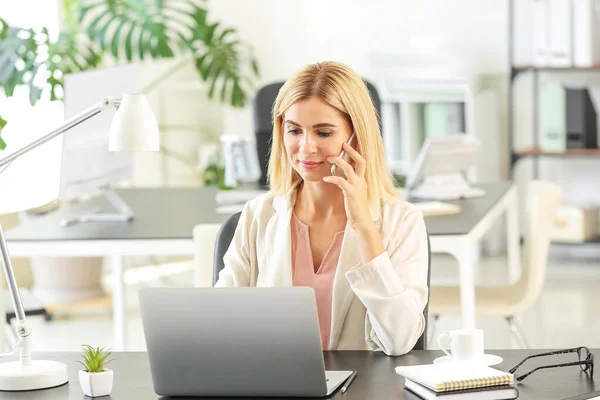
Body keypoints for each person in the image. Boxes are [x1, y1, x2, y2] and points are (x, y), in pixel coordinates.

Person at [216, 61, 428, 356]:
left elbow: (400, 340)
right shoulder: (258, 215)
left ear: (356, 136)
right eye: (294, 131)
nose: (305, 147)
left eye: (324, 133)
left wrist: (365, 227)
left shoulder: (402, 221)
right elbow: (219, 324)